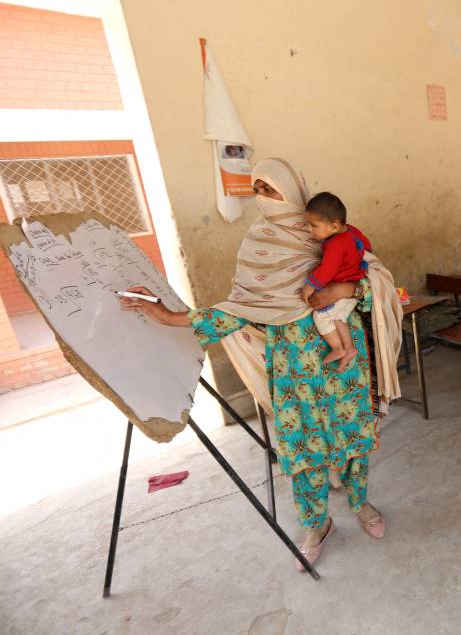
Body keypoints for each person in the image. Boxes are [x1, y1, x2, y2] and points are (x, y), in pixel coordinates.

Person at [121, 158, 392, 571]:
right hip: (293, 371)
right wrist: (169, 316)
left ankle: (360, 501)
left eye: (272, 189)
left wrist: (346, 286)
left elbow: (380, 289)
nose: (264, 198)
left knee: (353, 438)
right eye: (258, 190)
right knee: (304, 451)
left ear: (294, 189)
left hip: (344, 363)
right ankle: (317, 525)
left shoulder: (331, 232)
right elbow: (238, 309)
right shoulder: (258, 244)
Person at [300, 192, 373, 370]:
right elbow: (367, 246)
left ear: (333, 226)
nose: (310, 230)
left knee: (321, 316)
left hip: (344, 290)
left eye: (313, 226)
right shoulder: (352, 231)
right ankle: (349, 349)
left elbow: (327, 270)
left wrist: (309, 287)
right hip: (354, 284)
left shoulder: (335, 244)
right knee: (339, 318)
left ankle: (337, 348)